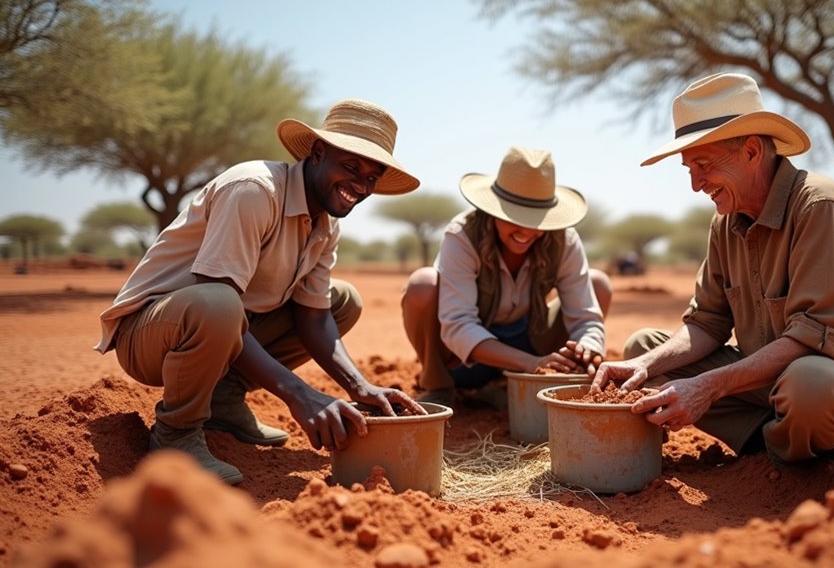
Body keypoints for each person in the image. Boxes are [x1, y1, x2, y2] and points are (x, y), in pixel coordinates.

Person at [95, 99, 425, 484]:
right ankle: (176, 435)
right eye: (351, 167)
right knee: (220, 304)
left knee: (342, 302)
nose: (361, 185)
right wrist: (300, 396)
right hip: (152, 336)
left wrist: (359, 384)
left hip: (222, 325)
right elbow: (216, 295)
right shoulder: (255, 190)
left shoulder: (326, 223)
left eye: (372, 176)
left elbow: (314, 316)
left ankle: (223, 399)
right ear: (318, 153)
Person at [592, 73, 834, 462]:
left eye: (704, 164)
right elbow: (707, 323)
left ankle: (778, 450)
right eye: (688, 168)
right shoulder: (725, 222)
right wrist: (640, 365)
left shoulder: (819, 206)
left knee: (808, 384)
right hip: (772, 386)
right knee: (646, 350)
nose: (696, 184)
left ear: (751, 151)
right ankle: (775, 440)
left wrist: (707, 388)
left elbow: (811, 340)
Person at [402, 146, 611, 408]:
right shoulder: (463, 235)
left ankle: (515, 387)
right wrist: (531, 364)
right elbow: (458, 326)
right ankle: (438, 386)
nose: (526, 230)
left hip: (533, 341)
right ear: (493, 210)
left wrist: (588, 347)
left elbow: (586, 319)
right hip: (465, 361)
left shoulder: (564, 240)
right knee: (423, 285)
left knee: (598, 283)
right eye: (514, 217)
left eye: (537, 220)